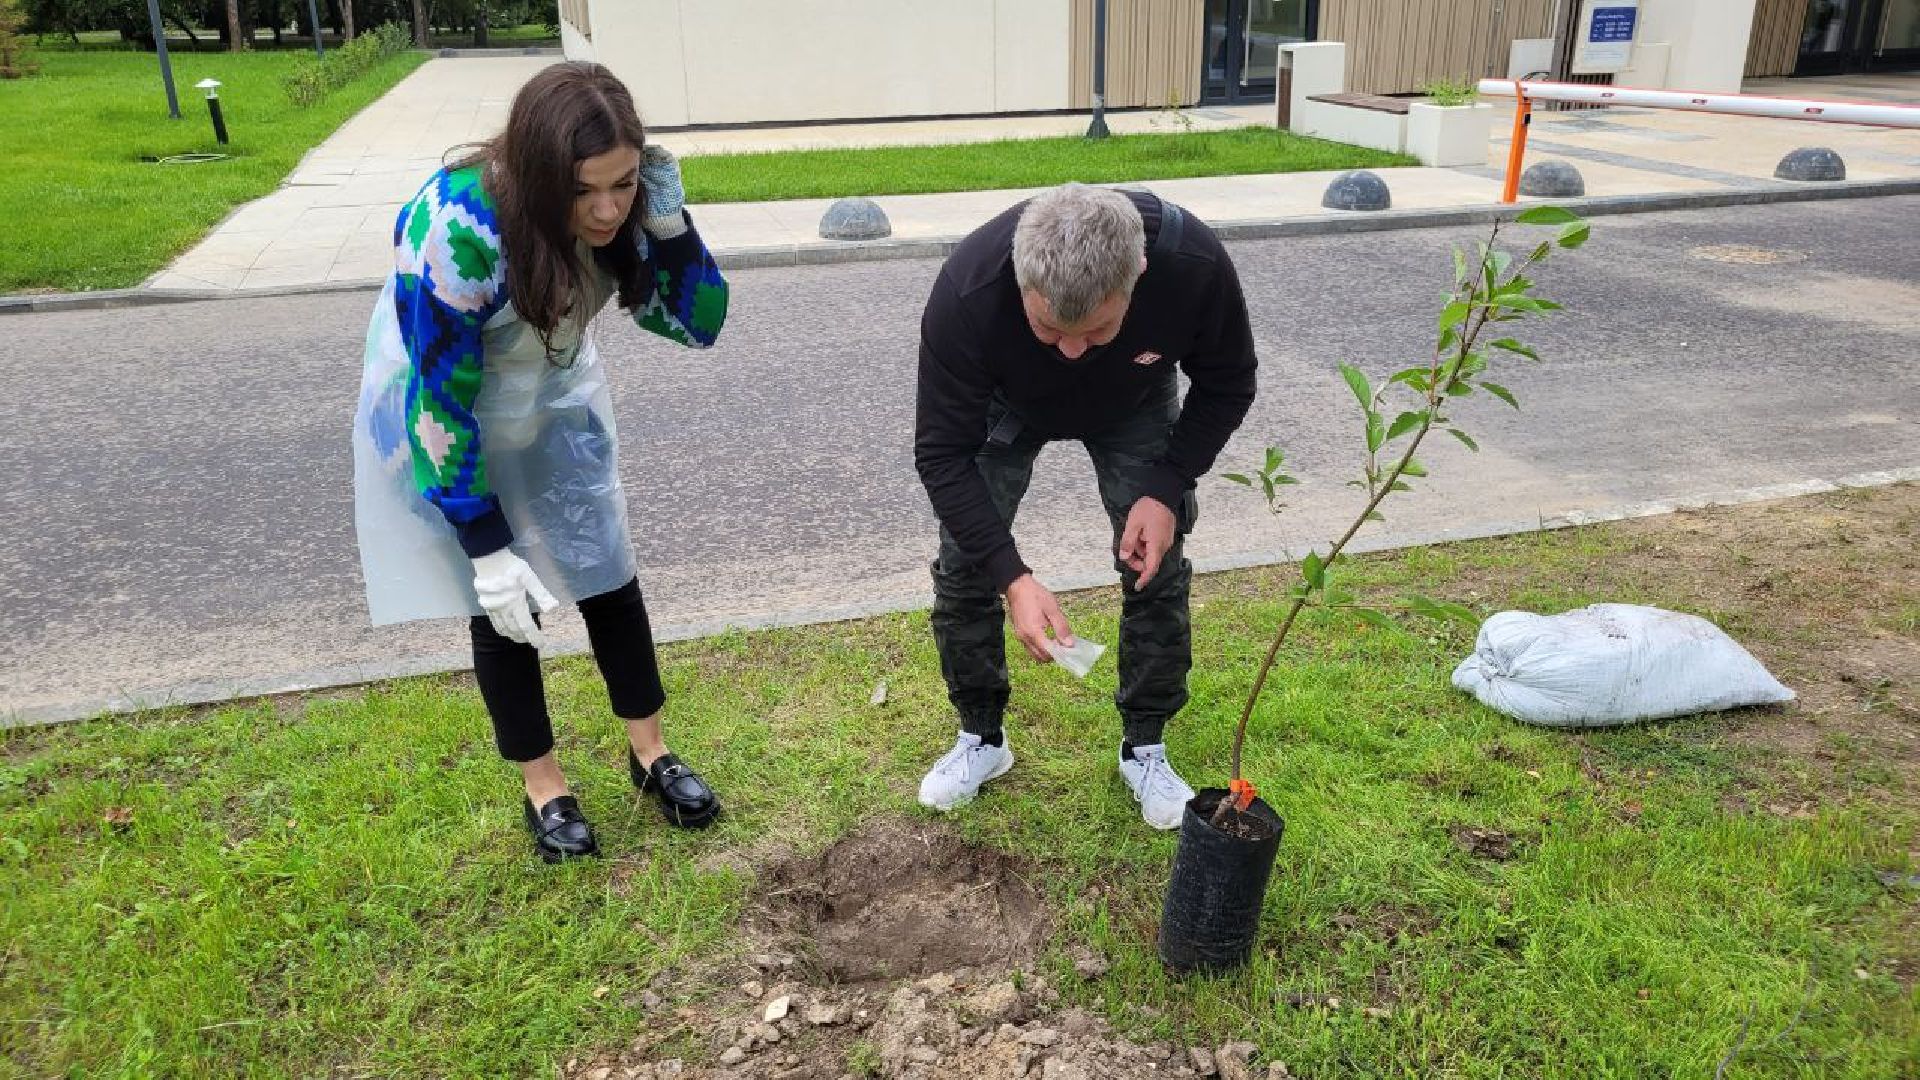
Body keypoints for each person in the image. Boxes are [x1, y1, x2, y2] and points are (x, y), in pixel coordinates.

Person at [350, 62, 730, 862]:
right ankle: (545, 788)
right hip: (454, 417)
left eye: (623, 184)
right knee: (505, 611)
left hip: (553, 391)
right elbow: (439, 405)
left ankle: (650, 751)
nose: (604, 210)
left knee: (608, 573)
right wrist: (485, 546)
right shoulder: (457, 233)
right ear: (535, 174)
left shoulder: (629, 211)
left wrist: (667, 227)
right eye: (582, 190)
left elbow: (698, 324)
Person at [913, 182, 1257, 829]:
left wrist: (1167, 484)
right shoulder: (969, 290)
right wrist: (1011, 575)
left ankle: (1144, 746)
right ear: (1020, 280)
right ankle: (982, 738)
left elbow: (1230, 380)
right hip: (1006, 407)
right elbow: (940, 454)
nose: (1072, 350)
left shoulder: (1192, 266)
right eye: (1048, 328)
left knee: (1156, 563)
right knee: (967, 567)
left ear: (1140, 276)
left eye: (1097, 329)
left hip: (1134, 404)